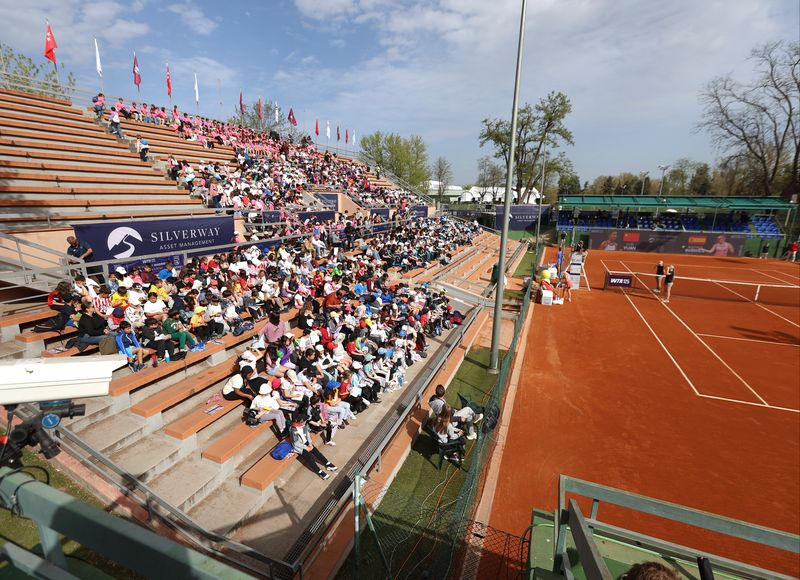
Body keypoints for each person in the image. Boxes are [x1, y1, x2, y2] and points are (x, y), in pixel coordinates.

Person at [288, 411, 337, 480]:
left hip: (306, 443)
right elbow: (296, 443)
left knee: (316, 452)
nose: (306, 422)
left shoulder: (304, 426)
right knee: (310, 457)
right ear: (301, 422)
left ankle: (327, 463)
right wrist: (306, 447)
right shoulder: (293, 430)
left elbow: (308, 436)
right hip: (300, 446)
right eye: (305, 421)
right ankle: (319, 471)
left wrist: (310, 444)